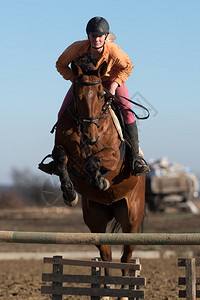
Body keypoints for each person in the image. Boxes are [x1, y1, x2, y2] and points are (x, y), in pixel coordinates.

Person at [39, 17, 150, 176]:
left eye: (100, 36)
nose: (96, 39)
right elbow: (60, 65)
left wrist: (114, 84)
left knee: (127, 111)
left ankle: (134, 160)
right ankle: (57, 161)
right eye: (93, 36)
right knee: (61, 112)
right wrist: (76, 81)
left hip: (111, 80)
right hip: (86, 83)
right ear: (88, 36)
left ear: (105, 37)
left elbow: (128, 66)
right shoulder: (77, 48)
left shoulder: (113, 51)